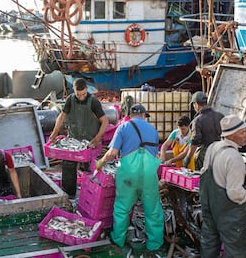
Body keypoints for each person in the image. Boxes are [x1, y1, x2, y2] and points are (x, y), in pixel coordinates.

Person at [96, 104, 164, 254]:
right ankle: (155, 244)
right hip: (148, 174)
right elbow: (157, 155)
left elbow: (112, 153)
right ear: (144, 116)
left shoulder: (123, 127)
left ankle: (118, 240)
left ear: (129, 114)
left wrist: (100, 163)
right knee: (153, 210)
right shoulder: (152, 130)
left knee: (122, 208)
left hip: (128, 174)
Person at [200, 114, 246, 257]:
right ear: (231, 136)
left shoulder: (213, 147)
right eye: (242, 132)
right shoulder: (234, 157)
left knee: (209, 245)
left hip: (209, 208)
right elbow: (235, 194)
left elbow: (210, 177)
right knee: (237, 251)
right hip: (228, 215)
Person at [49, 78, 108, 197]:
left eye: (83, 94)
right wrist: (55, 132)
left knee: (90, 170)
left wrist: (97, 139)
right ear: (74, 91)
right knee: (68, 166)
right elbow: (62, 116)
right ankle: (69, 195)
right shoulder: (70, 99)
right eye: (78, 94)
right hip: (73, 140)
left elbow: (105, 121)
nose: (81, 97)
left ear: (87, 89)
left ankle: (89, 196)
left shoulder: (94, 102)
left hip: (89, 142)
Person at [183, 91, 224, 170]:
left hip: (205, 154)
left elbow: (195, 142)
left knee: (202, 178)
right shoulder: (220, 116)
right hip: (220, 152)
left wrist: (188, 157)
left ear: (196, 104)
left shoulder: (198, 120)